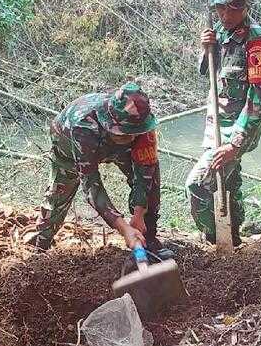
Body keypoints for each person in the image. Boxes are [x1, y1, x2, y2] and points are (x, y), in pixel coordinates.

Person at [34, 82, 173, 259]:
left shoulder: (142, 125)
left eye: (133, 133)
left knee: (152, 180)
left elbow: (146, 171)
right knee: (58, 197)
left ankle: (148, 241)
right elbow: (91, 185)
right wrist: (123, 228)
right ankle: (39, 251)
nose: (130, 138)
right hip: (69, 146)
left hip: (113, 145)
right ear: (110, 121)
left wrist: (139, 214)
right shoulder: (83, 127)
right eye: (124, 132)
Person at [185, 0, 261, 247]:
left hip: (235, 131)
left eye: (231, 9)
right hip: (216, 125)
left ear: (245, 7)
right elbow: (210, 73)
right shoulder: (221, 33)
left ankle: (215, 241)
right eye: (221, 8)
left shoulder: (256, 42)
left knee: (198, 184)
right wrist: (206, 49)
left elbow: (258, 98)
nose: (225, 14)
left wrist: (235, 145)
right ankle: (233, 242)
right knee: (230, 185)